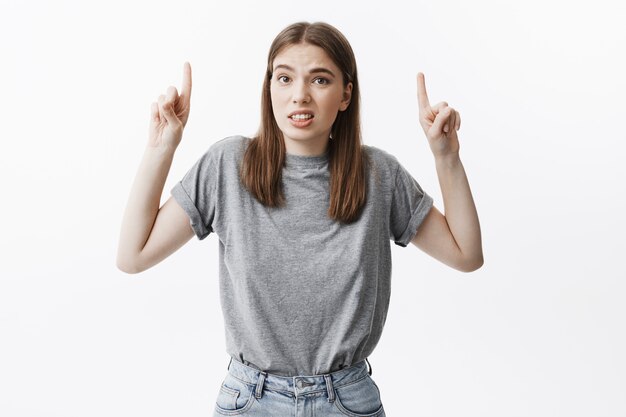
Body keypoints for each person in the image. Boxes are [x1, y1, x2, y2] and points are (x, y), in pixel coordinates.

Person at [117, 21, 482, 417]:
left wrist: (446, 157)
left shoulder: (378, 175)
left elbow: (466, 254)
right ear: (269, 87)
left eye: (320, 80)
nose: (299, 96)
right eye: (284, 78)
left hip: (346, 400)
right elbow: (133, 256)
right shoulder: (228, 166)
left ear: (346, 94)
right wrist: (161, 148)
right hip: (250, 400)